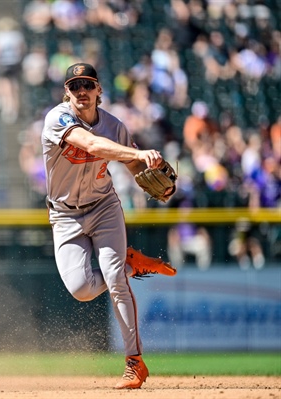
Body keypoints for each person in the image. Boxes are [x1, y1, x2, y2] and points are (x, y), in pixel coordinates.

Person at [42, 63, 178, 389]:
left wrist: (155, 180)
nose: (82, 92)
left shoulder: (114, 126)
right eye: (75, 86)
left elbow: (132, 163)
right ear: (67, 92)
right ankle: (132, 264)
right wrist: (138, 152)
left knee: (114, 280)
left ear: (99, 90)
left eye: (88, 85)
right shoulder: (57, 119)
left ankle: (135, 363)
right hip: (64, 215)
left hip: (104, 207)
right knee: (82, 290)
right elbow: (92, 145)